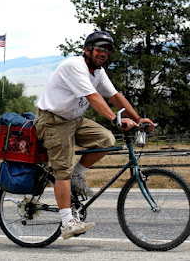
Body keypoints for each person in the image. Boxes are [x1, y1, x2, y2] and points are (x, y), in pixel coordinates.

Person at [33, 31, 156, 240]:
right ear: (87, 50)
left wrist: (138, 119)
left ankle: (77, 174)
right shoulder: (75, 66)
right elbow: (93, 97)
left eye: (108, 51)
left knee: (106, 140)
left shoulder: (98, 72)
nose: (104, 53)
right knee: (62, 168)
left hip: (74, 120)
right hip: (53, 120)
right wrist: (116, 119)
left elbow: (115, 96)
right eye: (100, 48)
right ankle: (67, 222)